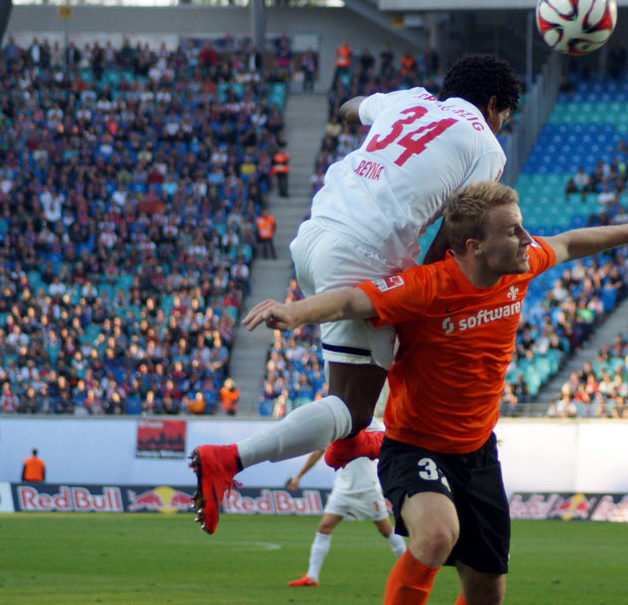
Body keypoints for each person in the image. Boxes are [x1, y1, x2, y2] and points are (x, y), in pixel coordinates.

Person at [243, 181, 628, 604]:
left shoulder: (523, 263)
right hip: (415, 447)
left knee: (487, 592)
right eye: (512, 230)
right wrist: (295, 311)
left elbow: (572, 242)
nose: (526, 238)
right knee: (437, 535)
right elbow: (350, 301)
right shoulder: (428, 286)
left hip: (478, 453)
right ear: (474, 247)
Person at [189, 54, 523, 536]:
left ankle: (348, 444)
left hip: (314, 234)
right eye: (505, 115)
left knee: (371, 375)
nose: (501, 125)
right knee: (356, 402)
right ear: (493, 106)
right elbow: (456, 229)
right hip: (365, 252)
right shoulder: (487, 145)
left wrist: (369, 114)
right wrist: (420, 292)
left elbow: (349, 108)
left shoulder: (410, 102)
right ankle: (230, 460)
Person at [286, 422, 407, 588]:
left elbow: (390, 452)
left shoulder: (375, 426)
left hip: (367, 489)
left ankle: (409, 572)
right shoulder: (340, 423)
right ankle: (312, 576)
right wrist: (299, 475)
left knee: (386, 530)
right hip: (342, 489)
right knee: (324, 528)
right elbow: (319, 452)